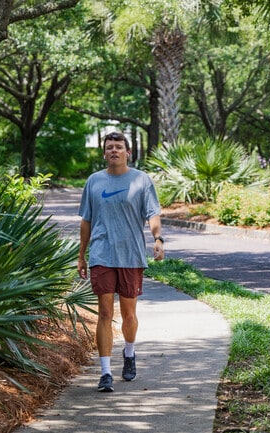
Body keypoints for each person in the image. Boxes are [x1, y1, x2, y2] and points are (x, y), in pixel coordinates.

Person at [77, 130, 164, 392]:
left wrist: (158, 239)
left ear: (128, 152)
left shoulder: (141, 180)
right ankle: (105, 373)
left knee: (128, 314)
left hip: (131, 255)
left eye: (118, 146)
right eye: (109, 147)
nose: (114, 150)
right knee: (104, 313)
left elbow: (152, 214)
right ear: (104, 153)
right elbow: (86, 221)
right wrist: (81, 255)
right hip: (102, 254)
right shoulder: (94, 181)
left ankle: (129, 352)